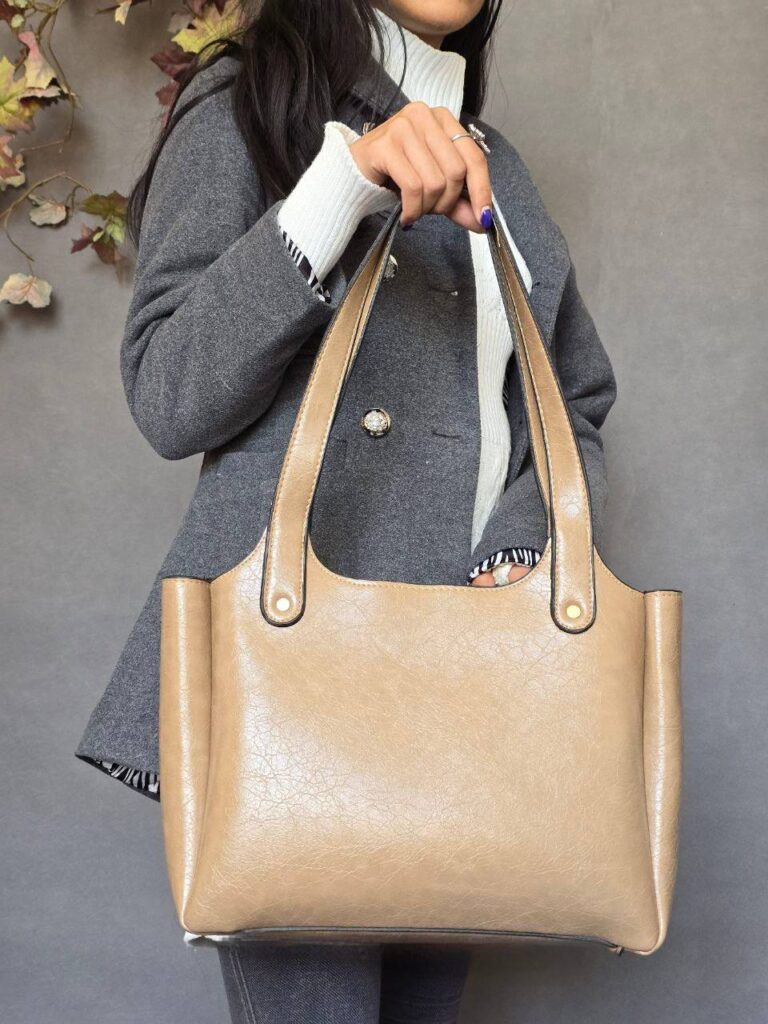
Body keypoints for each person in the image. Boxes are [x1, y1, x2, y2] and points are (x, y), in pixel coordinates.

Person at [75, 1, 618, 1020]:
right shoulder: (248, 101)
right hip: (300, 688)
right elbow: (169, 393)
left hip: (467, 689)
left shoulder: (503, 169)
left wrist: (521, 539)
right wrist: (342, 185)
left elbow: (569, 401)